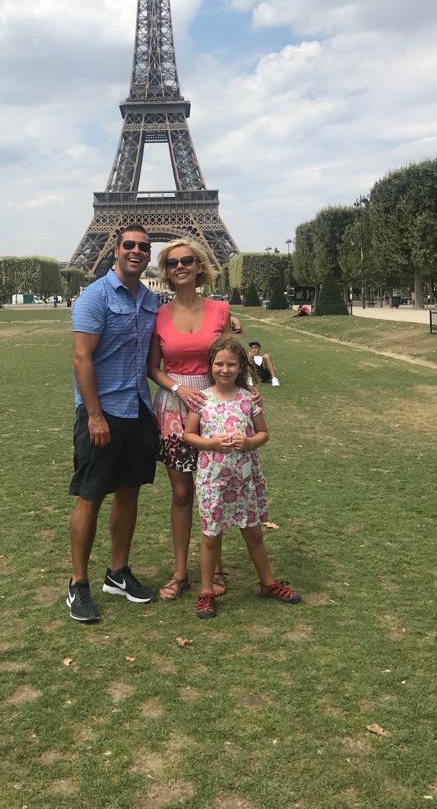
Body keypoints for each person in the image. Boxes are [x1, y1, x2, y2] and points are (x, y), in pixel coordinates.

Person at [67, 224, 160, 624]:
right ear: (115, 250)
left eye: (144, 246)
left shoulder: (151, 301)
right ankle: (77, 583)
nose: (137, 251)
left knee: (129, 492)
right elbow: (81, 358)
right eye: (130, 245)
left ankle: (117, 573)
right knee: (91, 495)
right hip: (102, 412)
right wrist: (93, 415)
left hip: (138, 409)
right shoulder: (95, 296)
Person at [147, 238, 243, 602]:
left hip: (215, 404)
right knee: (183, 492)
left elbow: (231, 360)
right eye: (172, 263)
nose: (180, 266)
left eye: (188, 260)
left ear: (200, 266)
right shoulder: (158, 314)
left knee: (214, 490)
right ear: (166, 272)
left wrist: (248, 394)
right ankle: (180, 572)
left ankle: (214, 567)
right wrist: (177, 387)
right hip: (174, 405)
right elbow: (152, 366)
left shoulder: (221, 311)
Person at [183, 337, 301, 619]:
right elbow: (189, 435)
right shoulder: (201, 400)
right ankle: (207, 591)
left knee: (253, 532)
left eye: (231, 364)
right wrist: (210, 444)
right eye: (219, 364)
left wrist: (249, 443)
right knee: (211, 535)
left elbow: (263, 433)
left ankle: (268, 582)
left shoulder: (249, 400)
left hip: (244, 479)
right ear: (210, 365)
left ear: (240, 367)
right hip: (213, 480)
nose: (225, 370)